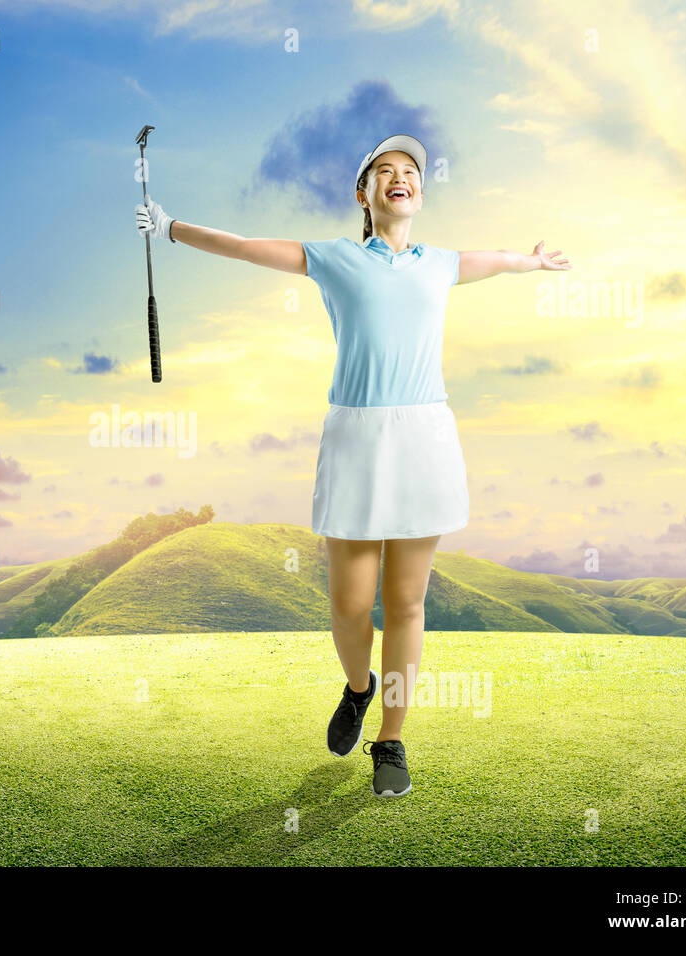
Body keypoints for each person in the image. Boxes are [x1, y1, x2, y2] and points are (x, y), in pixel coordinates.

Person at [134, 133, 571, 797]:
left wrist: (530, 262)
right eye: (385, 171)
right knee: (349, 605)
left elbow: (500, 259)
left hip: (424, 435)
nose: (401, 178)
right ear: (364, 195)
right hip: (356, 439)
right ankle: (358, 688)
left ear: (420, 193)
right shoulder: (337, 258)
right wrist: (169, 228)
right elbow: (247, 247)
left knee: (405, 604)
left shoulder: (441, 263)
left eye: (411, 172)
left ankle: (390, 740)